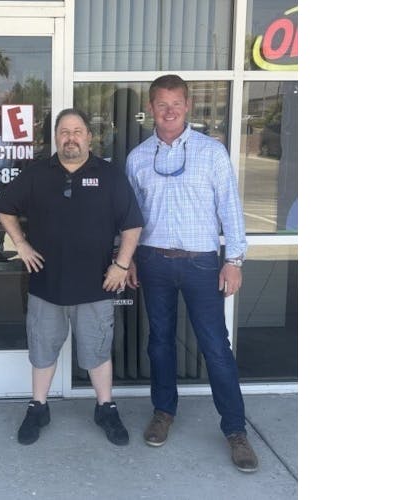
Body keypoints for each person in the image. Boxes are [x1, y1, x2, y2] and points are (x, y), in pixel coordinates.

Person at [124, 74, 258, 472]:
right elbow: (129, 218)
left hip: (202, 264)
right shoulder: (137, 158)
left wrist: (234, 260)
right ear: (150, 108)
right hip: (153, 261)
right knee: (159, 341)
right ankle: (163, 412)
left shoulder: (211, 152)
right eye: (161, 104)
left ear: (188, 107)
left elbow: (230, 208)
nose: (169, 111)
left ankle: (235, 430)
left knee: (216, 346)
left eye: (176, 104)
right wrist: (127, 257)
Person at [0, 108, 143, 447]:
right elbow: (5, 207)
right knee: (43, 349)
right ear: (55, 138)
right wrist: (22, 244)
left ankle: (105, 407)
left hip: (96, 286)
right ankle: (38, 407)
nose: (71, 137)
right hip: (46, 284)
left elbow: (132, 223)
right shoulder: (36, 174)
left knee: (98, 350)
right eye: (64, 131)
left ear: (90, 137)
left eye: (78, 131)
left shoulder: (110, 175)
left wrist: (121, 265)